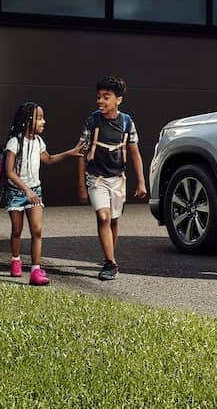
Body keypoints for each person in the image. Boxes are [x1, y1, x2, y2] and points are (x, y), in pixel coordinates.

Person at [3, 102, 83, 285]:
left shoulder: (39, 142)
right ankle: (15, 261)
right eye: (39, 118)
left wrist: (70, 153)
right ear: (27, 120)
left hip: (35, 191)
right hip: (16, 193)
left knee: (37, 231)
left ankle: (35, 271)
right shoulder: (14, 142)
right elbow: (9, 172)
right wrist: (26, 190)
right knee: (17, 230)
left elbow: (49, 159)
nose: (43, 122)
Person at [77, 76, 147, 281]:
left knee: (114, 220)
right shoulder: (92, 121)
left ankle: (110, 257)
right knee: (103, 217)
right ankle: (110, 262)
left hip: (117, 180)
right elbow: (81, 154)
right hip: (96, 179)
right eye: (98, 97)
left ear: (118, 100)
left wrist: (141, 181)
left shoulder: (127, 122)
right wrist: (81, 186)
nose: (100, 101)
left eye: (106, 97)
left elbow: (134, 153)